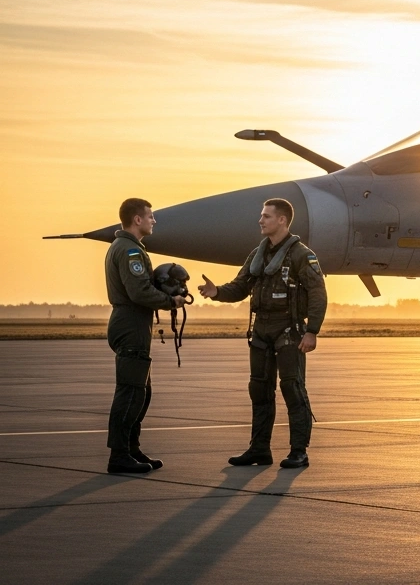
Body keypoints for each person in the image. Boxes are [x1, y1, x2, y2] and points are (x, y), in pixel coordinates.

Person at [198, 198, 326, 469]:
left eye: (266, 216)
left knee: (292, 388)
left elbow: (317, 293)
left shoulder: (302, 255)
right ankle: (259, 449)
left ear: (282, 220)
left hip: (289, 329)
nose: (261, 220)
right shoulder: (258, 253)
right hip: (261, 330)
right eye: (261, 215)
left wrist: (312, 330)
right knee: (259, 390)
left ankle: (298, 451)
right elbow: (241, 286)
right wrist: (217, 292)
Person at [104, 198, 184, 474]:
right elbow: (138, 292)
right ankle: (119, 455)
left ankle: (132, 449)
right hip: (131, 323)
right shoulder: (129, 251)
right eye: (150, 216)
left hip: (134, 323)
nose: (153, 220)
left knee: (142, 392)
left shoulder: (128, 247)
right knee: (130, 391)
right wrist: (169, 301)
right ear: (137, 220)